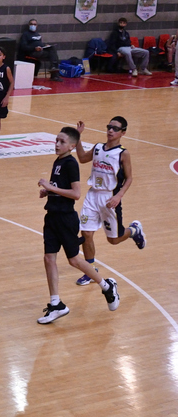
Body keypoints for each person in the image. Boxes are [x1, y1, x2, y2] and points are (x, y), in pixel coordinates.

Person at [36, 126, 120, 324]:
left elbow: (75, 194)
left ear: (72, 146)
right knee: (49, 258)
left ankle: (106, 285)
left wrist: (51, 187)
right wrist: (50, 191)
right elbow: (61, 188)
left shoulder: (71, 163)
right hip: (52, 217)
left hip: (65, 219)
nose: (57, 144)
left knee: (74, 260)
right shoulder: (58, 161)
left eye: (62, 142)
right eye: (56, 140)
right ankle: (56, 304)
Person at [72, 116, 146, 286]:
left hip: (110, 198)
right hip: (93, 195)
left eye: (115, 128)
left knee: (113, 240)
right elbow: (82, 158)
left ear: (123, 133)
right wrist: (78, 137)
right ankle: (91, 270)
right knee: (86, 233)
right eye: (109, 127)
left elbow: (129, 178)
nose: (110, 130)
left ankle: (134, 231)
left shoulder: (123, 153)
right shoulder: (98, 147)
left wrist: (119, 196)